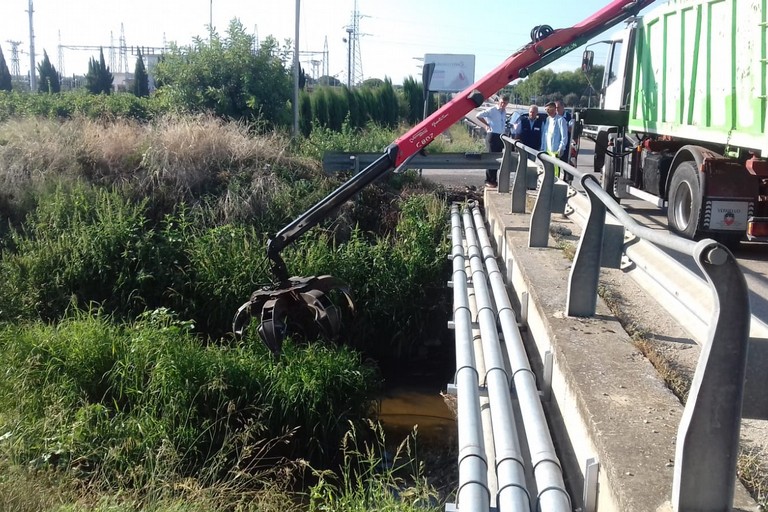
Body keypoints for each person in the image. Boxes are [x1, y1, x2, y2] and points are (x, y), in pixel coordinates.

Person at [476, 94, 509, 188]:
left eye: (505, 103)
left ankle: (494, 180)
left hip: (500, 136)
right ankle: (488, 180)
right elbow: (478, 115)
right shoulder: (493, 110)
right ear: (499, 101)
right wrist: (487, 124)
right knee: (491, 159)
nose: (503, 105)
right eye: (502, 102)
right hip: (492, 135)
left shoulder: (504, 111)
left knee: (497, 159)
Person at [540, 101, 568, 179]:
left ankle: (555, 184)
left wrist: (561, 148)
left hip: (555, 150)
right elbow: (545, 134)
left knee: (555, 171)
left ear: (553, 109)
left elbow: (564, 136)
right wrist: (542, 147)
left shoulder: (560, 120)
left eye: (548, 109)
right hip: (547, 149)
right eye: (546, 110)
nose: (547, 111)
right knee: (547, 169)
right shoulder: (548, 120)